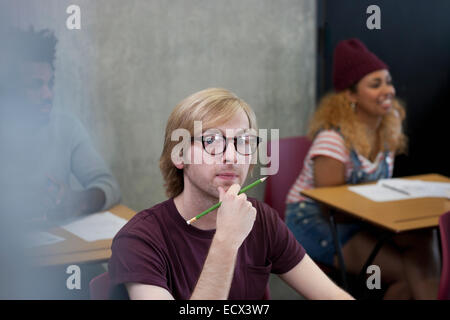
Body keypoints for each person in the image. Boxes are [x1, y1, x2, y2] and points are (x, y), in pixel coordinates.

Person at [108, 88, 353, 300]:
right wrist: (226, 241)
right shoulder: (140, 240)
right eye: (212, 140)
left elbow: (330, 294)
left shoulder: (262, 219)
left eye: (243, 141)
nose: (232, 156)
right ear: (179, 155)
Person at [285, 39, 440, 299]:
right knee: (404, 274)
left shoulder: (387, 134)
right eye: (375, 84)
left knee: (422, 237)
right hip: (316, 222)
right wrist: (388, 213)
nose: (388, 90)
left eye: (388, 82)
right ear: (351, 95)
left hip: (363, 219)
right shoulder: (333, 140)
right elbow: (330, 207)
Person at [0, 27, 121, 299]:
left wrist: (77, 201)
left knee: (105, 283)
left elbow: (107, 184)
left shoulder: (66, 127)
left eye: (50, 83)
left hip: (61, 259)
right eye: (35, 85)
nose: (47, 94)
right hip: (13, 266)